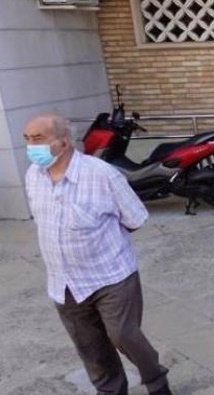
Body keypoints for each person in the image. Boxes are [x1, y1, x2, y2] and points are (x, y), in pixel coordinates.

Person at [23, 114, 171, 395]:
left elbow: (135, 218)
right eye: (27, 139)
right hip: (63, 282)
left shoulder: (102, 174)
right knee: (90, 347)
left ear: (63, 142)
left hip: (111, 276)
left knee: (124, 336)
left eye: (38, 139)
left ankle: (157, 382)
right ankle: (111, 391)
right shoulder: (34, 176)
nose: (31, 147)